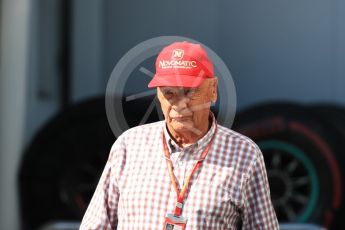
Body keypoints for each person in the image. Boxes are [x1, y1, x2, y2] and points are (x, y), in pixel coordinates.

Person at [80, 41, 279, 229]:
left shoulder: (245, 154)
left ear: (213, 90)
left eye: (189, 92)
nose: (179, 105)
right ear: (158, 95)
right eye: (169, 93)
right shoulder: (128, 147)